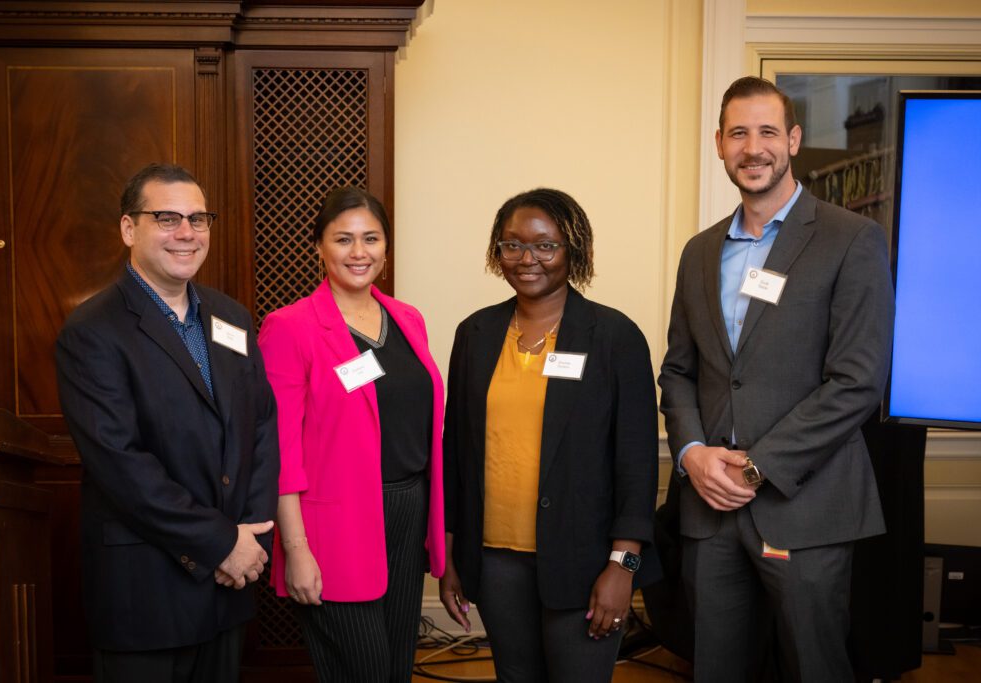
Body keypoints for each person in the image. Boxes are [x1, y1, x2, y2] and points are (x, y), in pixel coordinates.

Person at [658, 76, 895, 682]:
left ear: (792, 140)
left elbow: (857, 382)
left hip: (805, 504)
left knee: (815, 668)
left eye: (768, 131)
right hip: (710, 510)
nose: (753, 147)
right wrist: (690, 455)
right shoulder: (700, 252)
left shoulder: (851, 240)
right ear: (719, 144)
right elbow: (680, 370)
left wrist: (758, 467)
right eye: (739, 132)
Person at [56, 163, 280, 682]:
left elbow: (262, 429)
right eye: (167, 218)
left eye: (198, 219)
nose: (186, 233)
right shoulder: (93, 330)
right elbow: (121, 464)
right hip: (147, 593)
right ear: (129, 229)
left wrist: (252, 539)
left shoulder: (233, 318)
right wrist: (221, 542)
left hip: (229, 586)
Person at [440, 188, 661, 682]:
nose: (527, 259)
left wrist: (622, 567)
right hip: (496, 562)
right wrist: (451, 556)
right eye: (512, 245)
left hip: (585, 563)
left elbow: (637, 462)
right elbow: (455, 453)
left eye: (545, 245)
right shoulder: (474, 335)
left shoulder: (613, 336)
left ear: (573, 250)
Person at [257, 187, 446, 682]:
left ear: (386, 247)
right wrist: (295, 549)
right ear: (318, 247)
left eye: (371, 238)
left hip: (408, 513)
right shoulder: (289, 328)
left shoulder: (408, 320)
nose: (358, 252)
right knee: (361, 671)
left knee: (397, 668)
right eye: (343, 239)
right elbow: (280, 450)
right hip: (333, 526)